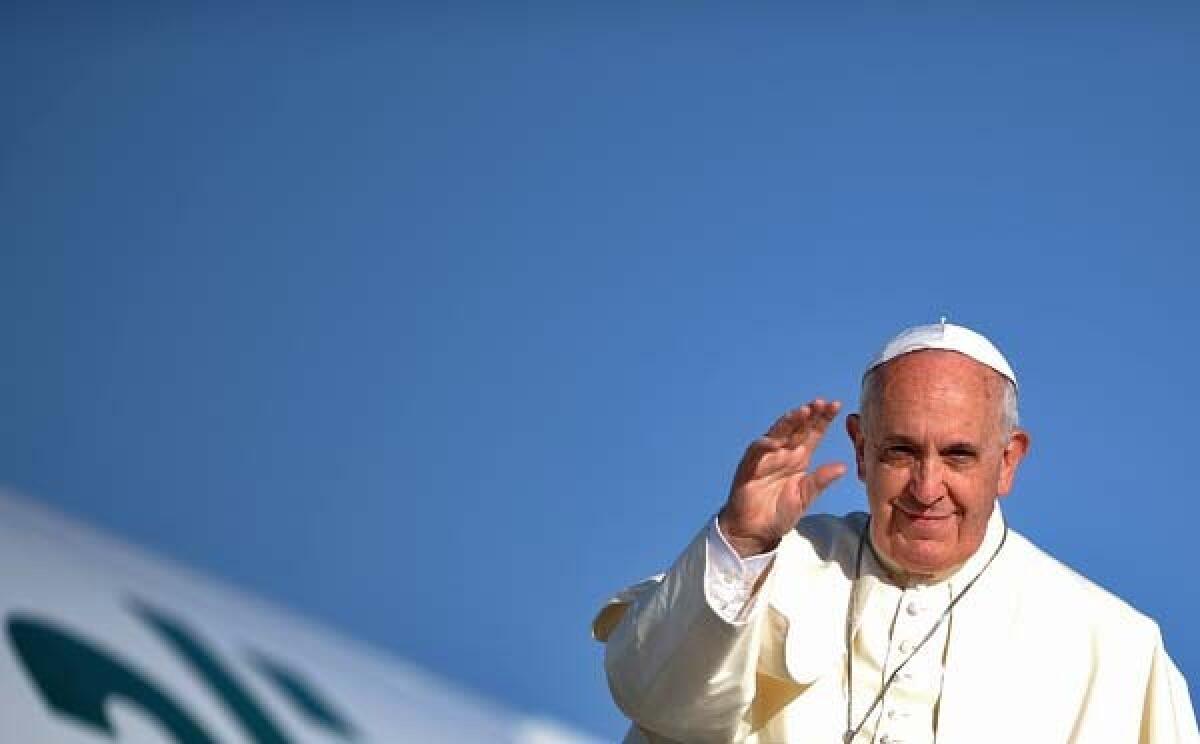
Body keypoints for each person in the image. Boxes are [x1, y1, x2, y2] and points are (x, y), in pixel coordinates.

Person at [592, 321, 1198, 744]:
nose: (926, 487)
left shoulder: (1116, 649)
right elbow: (654, 699)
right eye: (901, 451)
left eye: (959, 455)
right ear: (859, 448)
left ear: (1008, 460)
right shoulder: (769, 569)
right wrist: (743, 543)